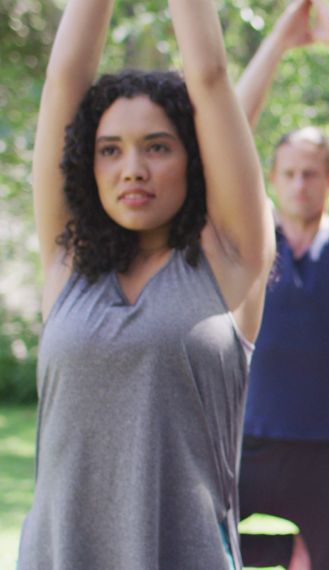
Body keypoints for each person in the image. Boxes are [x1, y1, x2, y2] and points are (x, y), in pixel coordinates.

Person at [18, 0, 273, 567]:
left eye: (157, 146)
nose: (131, 167)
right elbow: (64, 80)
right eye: (110, 150)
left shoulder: (228, 261)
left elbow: (208, 77)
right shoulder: (70, 263)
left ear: (193, 159)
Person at [233, 0, 329, 568]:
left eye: (311, 174)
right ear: (272, 179)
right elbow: (224, 134)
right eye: (289, 174)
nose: (300, 185)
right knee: (191, 547)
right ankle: (283, 553)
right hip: (246, 444)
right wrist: (276, 43)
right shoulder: (248, 244)